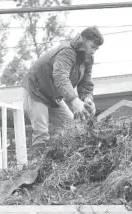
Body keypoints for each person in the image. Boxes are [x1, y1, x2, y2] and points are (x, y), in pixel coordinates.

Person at [22, 26, 104, 156]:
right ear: (82, 40)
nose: (94, 51)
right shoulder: (67, 51)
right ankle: (35, 169)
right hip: (36, 91)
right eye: (92, 46)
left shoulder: (88, 59)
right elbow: (60, 76)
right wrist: (74, 100)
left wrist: (88, 99)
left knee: (73, 127)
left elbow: (85, 83)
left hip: (54, 97)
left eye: (96, 49)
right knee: (42, 132)